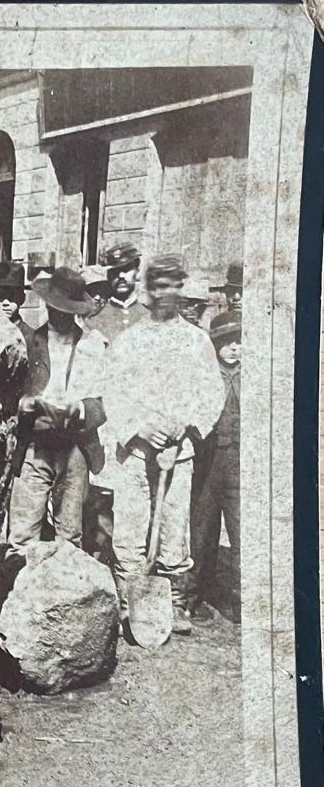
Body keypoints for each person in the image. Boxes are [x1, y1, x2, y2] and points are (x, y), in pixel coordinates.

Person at [100, 254, 226, 638]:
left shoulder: (195, 340)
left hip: (178, 451)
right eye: (158, 285)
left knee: (173, 529)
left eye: (173, 285)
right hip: (135, 452)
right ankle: (129, 602)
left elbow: (211, 392)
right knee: (131, 527)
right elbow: (113, 392)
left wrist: (185, 426)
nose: (166, 293)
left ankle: (173, 603)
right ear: (148, 290)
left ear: (180, 289)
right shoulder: (129, 341)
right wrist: (140, 428)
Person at [7, 267, 109, 555]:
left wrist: (79, 409)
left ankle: (66, 596)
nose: (60, 316)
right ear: (47, 305)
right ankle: (24, 594)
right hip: (34, 446)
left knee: (70, 535)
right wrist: (24, 406)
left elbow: (106, 399)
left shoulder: (93, 345)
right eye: (56, 309)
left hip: (75, 447)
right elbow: (10, 396)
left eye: (68, 310)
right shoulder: (28, 342)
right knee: (23, 533)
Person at [190, 310, 241, 624]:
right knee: (201, 533)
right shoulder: (206, 376)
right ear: (214, 344)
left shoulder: (253, 375)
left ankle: (239, 602)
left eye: (239, 342)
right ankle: (193, 597)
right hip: (207, 466)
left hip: (237, 467)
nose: (234, 348)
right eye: (226, 342)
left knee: (240, 534)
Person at [98, 241, 149, 342]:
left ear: (136, 271)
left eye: (126, 269)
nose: (121, 276)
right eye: (115, 271)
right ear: (108, 275)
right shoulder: (95, 320)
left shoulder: (148, 316)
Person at [0, 261, 34, 346]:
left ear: (22, 299)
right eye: (0, 296)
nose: (6, 303)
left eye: (12, 296)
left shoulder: (30, 337)